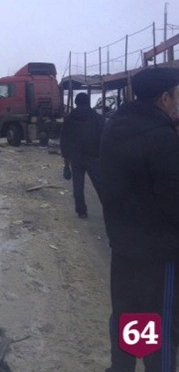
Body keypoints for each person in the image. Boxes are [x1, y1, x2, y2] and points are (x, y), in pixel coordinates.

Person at [100, 67, 179, 372]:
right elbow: (173, 201)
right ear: (164, 98)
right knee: (160, 323)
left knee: (129, 315)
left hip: (123, 246)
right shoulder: (163, 138)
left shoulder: (113, 128)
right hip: (159, 254)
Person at [60, 92, 105, 219]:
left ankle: (81, 211)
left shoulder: (69, 118)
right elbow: (104, 138)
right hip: (94, 156)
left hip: (76, 156)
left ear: (76, 103)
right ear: (88, 102)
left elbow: (65, 141)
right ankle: (109, 209)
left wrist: (66, 164)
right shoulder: (97, 118)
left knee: (78, 185)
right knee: (100, 185)